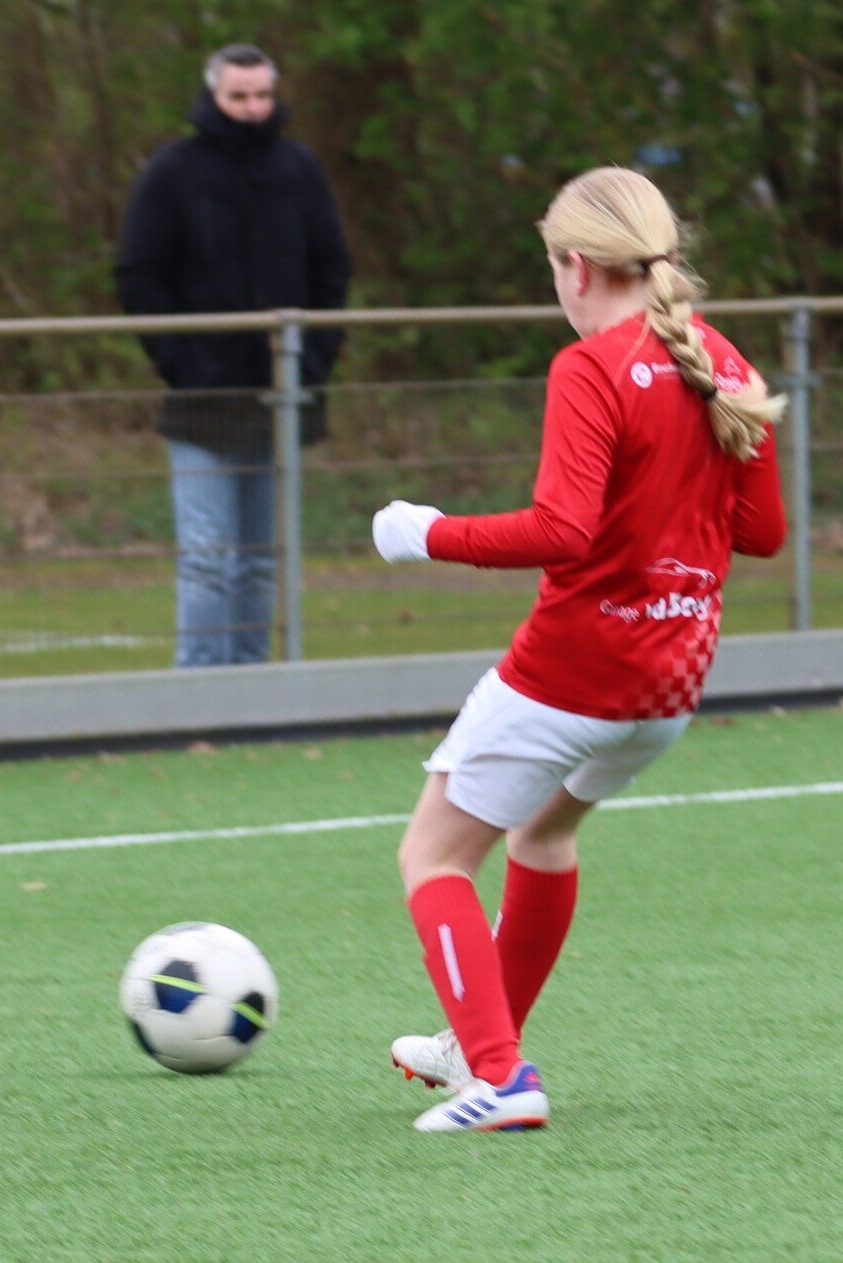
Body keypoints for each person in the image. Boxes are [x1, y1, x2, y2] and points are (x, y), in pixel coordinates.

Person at [369, 167, 785, 1132]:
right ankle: (476, 1043)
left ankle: (501, 1077)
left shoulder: (588, 367)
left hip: (571, 673)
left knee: (431, 855)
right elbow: (761, 532)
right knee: (542, 837)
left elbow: (561, 529)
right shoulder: (725, 362)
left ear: (575, 265)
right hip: (669, 688)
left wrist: (424, 532)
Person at [115, 43, 351, 668]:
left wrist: (312, 363)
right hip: (202, 399)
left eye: (262, 95)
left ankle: (254, 687)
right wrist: (182, 364)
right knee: (207, 557)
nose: (252, 108)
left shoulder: (299, 169)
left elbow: (332, 272)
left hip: (283, 393)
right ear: (214, 96)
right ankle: (200, 692)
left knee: (260, 558)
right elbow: (139, 274)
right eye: (238, 96)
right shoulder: (172, 172)